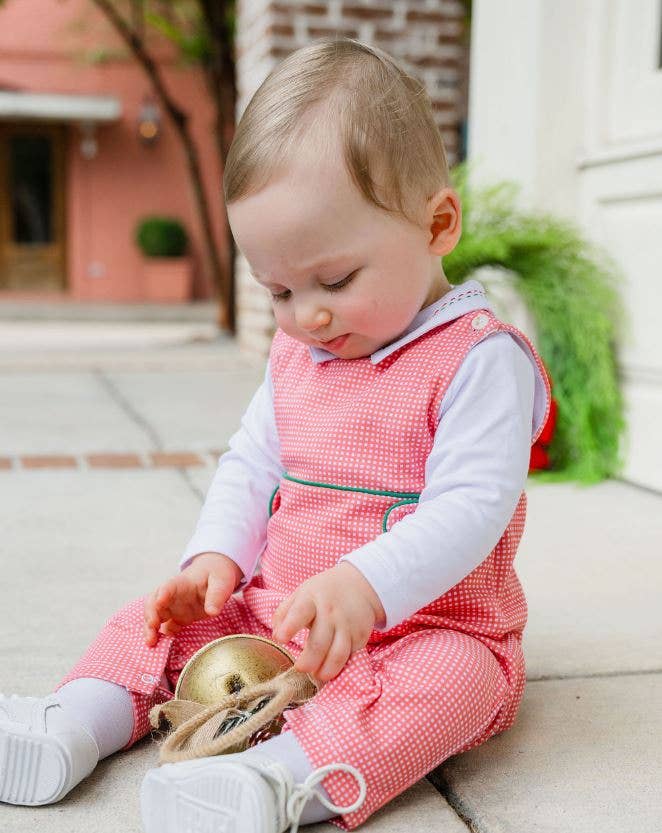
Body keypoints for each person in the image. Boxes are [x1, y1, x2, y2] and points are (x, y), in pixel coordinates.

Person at [0, 37, 550, 833]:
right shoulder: (300, 349)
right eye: (279, 288)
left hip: (425, 627)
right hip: (279, 615)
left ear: (438, 224)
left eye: (335, 280)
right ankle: (74, 720)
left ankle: (279, 778)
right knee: (158, 622)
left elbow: (473, 506)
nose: (308, 315)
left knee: (457, 681)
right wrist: (216, 555)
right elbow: (253, 460)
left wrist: (367, 584)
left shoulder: (477, 359)